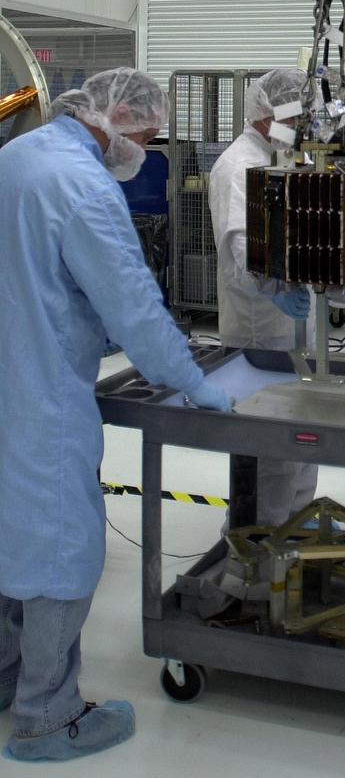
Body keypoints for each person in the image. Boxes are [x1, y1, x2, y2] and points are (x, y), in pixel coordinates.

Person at [0, 69, 230, 764]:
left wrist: (86, 328)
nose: (145, 149)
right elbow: (133, 303)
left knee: (8, 537)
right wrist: (195, 381)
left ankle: (8, 676)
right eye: (147, 135)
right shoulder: (83, 186)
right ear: (119, 113)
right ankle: (46, 715)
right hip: (39, 397)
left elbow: (36, 277)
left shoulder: (16, 157)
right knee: (60, 545)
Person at [208, 68, 317, 526]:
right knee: (268, 439)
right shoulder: (239, 166)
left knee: (302, 426)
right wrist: (274, 292)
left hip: (290, 325)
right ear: (264, 115)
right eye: (294, 118)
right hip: (259, 324)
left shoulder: (283, 157)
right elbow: (239, 248)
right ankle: (262, 532)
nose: (300, 128)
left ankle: (298, 513)